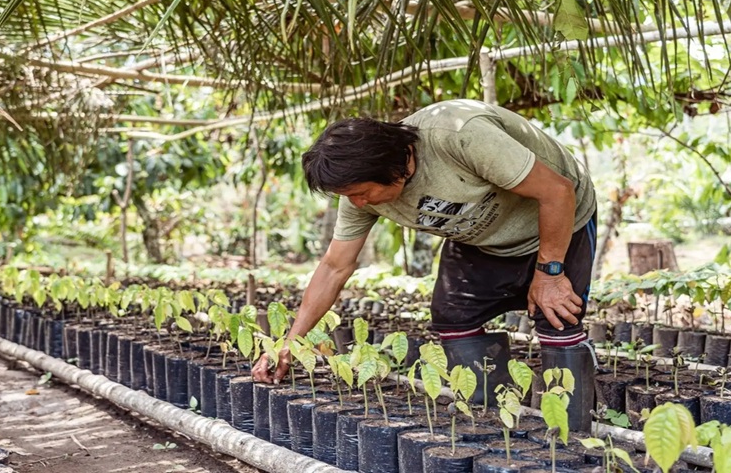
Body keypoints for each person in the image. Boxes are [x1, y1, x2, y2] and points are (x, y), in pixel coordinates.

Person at [251, 99, 598, 431]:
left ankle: (570, 431)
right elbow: (334, 267)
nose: (357, 203)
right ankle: (489, 417)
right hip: (481, 237)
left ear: (393, 168)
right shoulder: (360, 197)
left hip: (558, 219)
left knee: (558, 316)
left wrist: (550, 273)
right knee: (453, 315)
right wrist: (291, 342)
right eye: (348, 196)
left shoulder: (459, 135)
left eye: (361, 192)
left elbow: (556, 191)